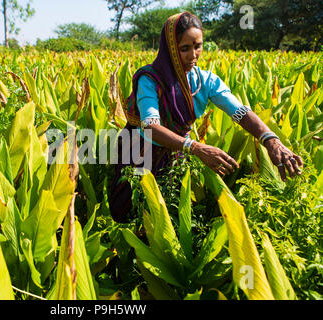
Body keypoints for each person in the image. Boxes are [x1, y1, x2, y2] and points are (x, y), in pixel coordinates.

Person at [109, 12, 303, 223]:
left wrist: (270, 140)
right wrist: (197, 148)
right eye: (185, 49)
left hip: (177, 153)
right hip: (140, 152)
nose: (193, 55)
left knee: (171, 211)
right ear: (170, 49)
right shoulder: (151, 79)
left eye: (198, 46)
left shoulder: (205, 81)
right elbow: (150, 126)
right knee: (132, 212)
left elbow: (239, 111)